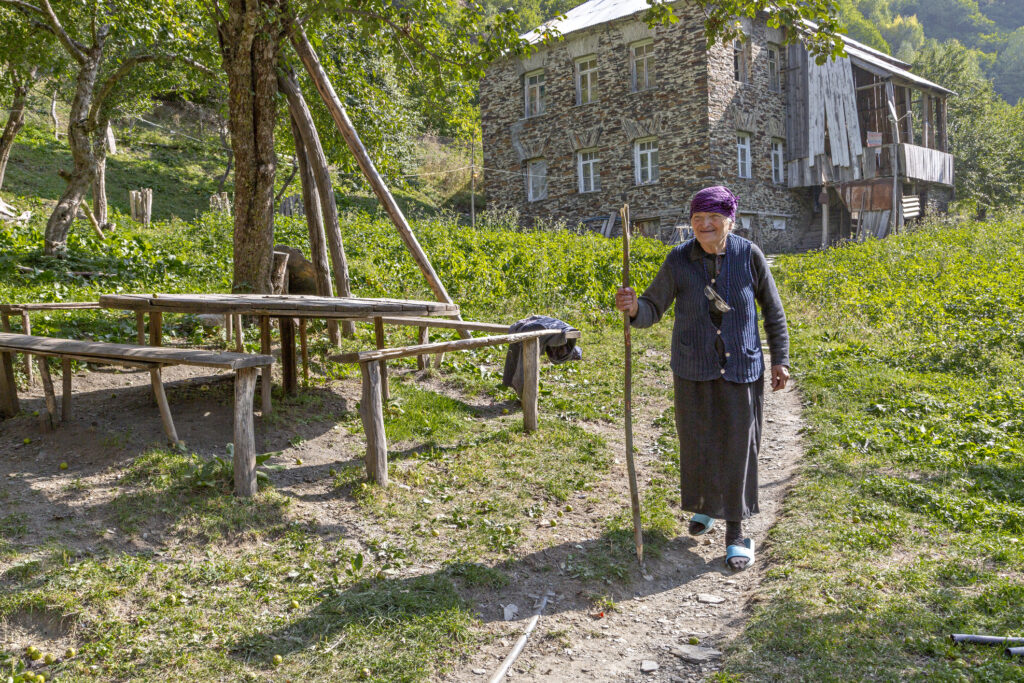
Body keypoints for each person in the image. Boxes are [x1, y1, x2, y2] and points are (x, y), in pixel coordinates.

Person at [615, 186, 790, 570]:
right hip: (693, 368)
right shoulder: (679, 259)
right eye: (698, 219)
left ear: (730, 220)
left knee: (737, 448)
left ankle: (736, 531)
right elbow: (652, 307)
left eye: (713, 218)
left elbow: (773, 313)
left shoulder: (749, 256)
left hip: (741, 368)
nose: (705, 225)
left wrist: (781, 360)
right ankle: (708, 507)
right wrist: (632, 308)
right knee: (698, 443)